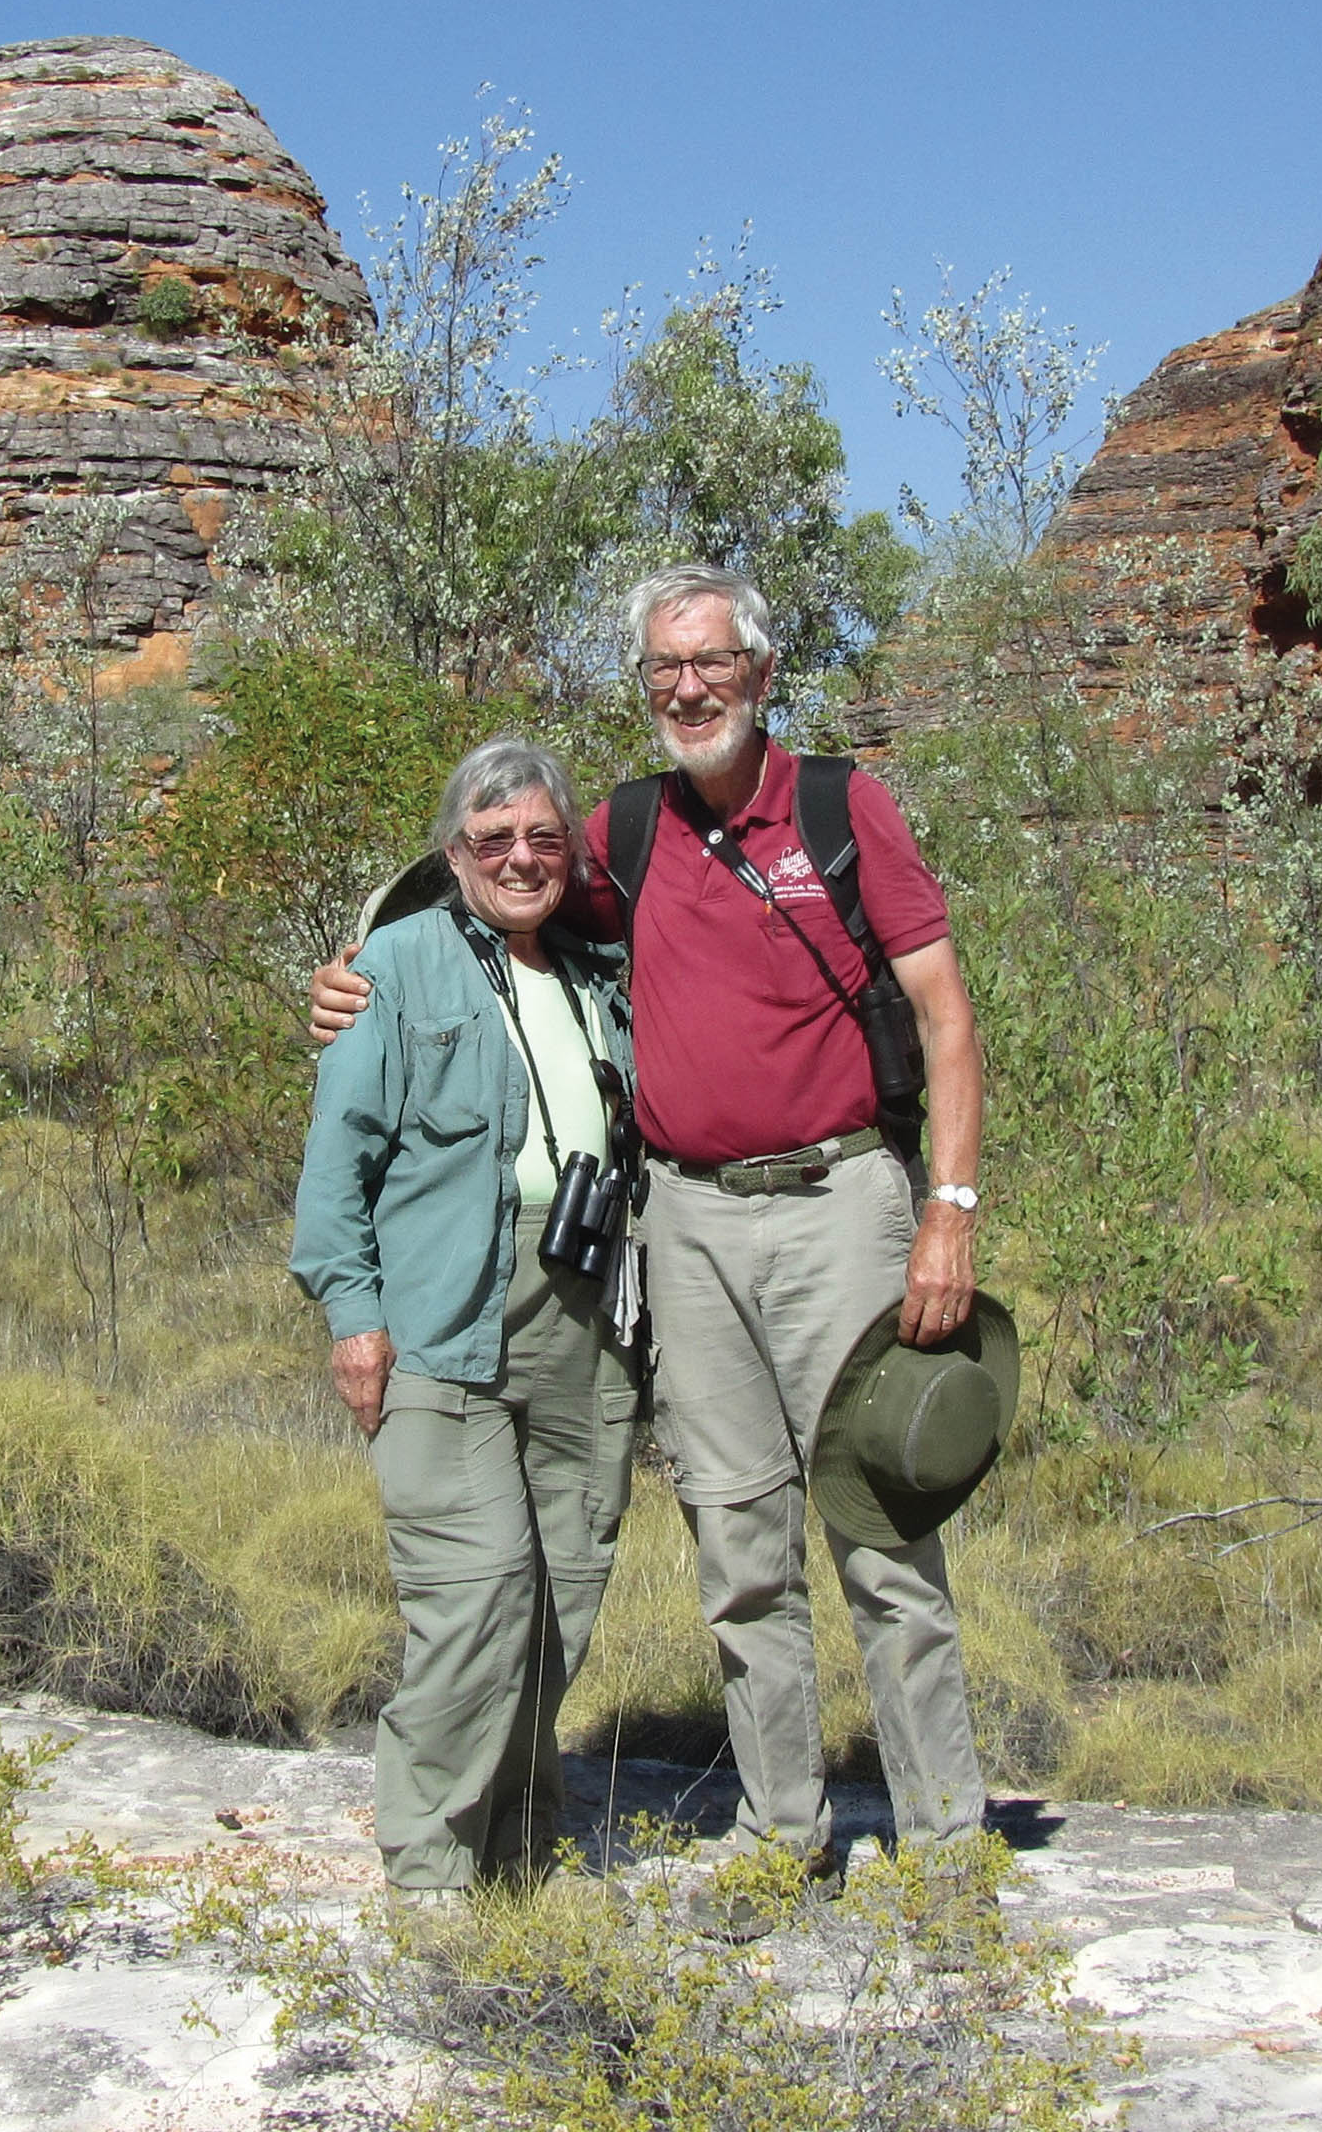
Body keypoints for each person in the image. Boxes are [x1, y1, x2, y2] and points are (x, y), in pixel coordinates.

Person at [311, 565, 990, 1863]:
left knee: (883, 1537)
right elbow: (488, 894)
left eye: (713, 664)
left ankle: (950, 1856)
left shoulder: (845, 810)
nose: (688, 689)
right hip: (680, 1224)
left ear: (761, 674)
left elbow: (947, 1015)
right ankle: (780, 1837)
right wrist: (353, 978)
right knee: (739, 1546)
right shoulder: (631, 831)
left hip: (843, 1202)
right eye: (664, 670)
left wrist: (946, 1210)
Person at [290, 734, 642, 1893]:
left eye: (544, 837)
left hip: (584, 1329)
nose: (521, 859)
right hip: (440, 1329)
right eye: (494, 841)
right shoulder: (395, 968)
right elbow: (336, 1166)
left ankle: (521, 1856)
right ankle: (434, 1879)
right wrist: (354, 1315)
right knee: (476, 1600)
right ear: (455, 853)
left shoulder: (601, 975)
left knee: (563, 1604)